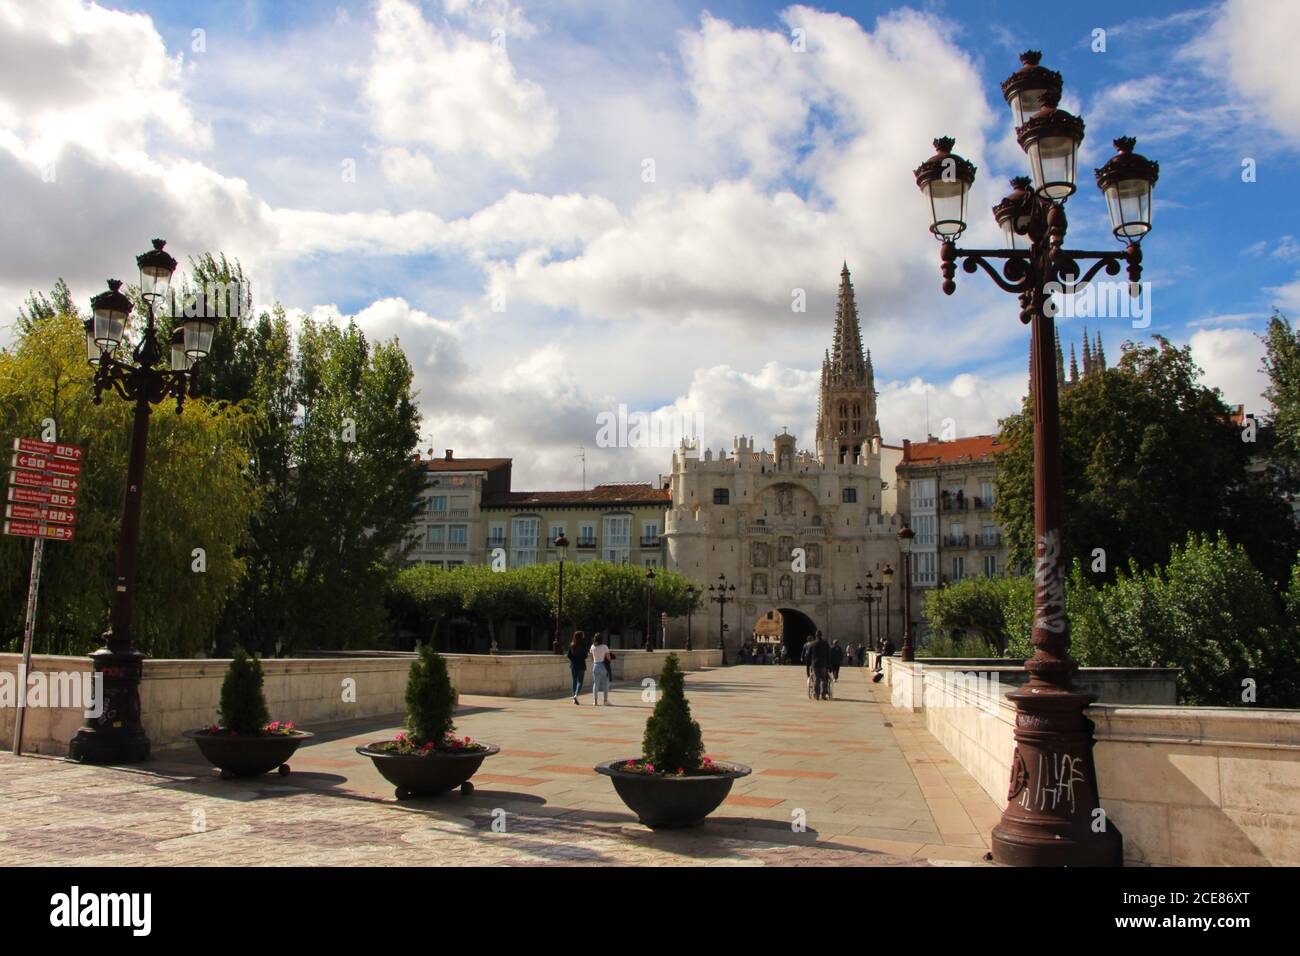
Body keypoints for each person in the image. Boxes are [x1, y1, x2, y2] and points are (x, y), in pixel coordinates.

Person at [589, 632, 613, 705]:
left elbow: (591, 658)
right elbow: (608, 658)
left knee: (596, 684)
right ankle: (605, 701)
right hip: (603, 666)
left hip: (595, 666)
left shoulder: (592, 647)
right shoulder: (604, 647)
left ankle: (595, 701)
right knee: (605, 684)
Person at [566, 632, 587, 704]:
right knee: (580, 682)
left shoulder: (572, 644)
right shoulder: (583, 644)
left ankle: (573, 698)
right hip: (581, 664)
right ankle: (576, 695)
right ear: (581, 636)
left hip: (573, 665)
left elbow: (568, 655)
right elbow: (585, 655)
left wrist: (573, 659)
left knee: (574, 681)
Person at [810, 631, 831, 700]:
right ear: (821, 635)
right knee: (823, 679)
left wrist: (810, 663)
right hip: (823, 664)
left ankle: (816, 695)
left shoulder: (812, 644)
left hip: (815, 664)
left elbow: (809, 655)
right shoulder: (825, 643)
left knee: (816, 679)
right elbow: (828, 654)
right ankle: (823, 695)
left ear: (816, 636)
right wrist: (829, 664)